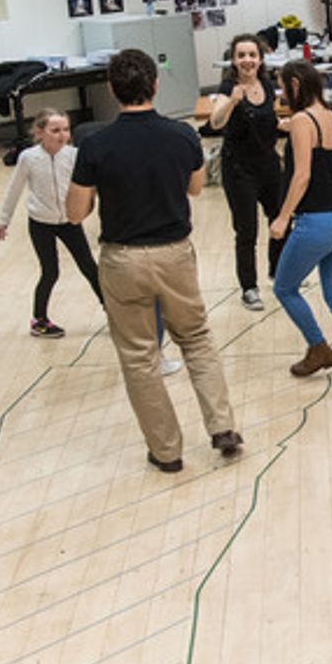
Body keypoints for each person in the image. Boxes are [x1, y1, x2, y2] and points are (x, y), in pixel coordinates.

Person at [67, 49, 242, 474]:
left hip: (122, 259)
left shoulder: (95, 144)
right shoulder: (182, 135)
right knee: (196, 337)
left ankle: (166, 452)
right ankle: (222, 428)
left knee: (139, 356)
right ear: (156, 85)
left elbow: (75, 213)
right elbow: (196, 189)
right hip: (174, 253)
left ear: (112, 89)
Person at [269, 60, 332, 393]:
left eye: (282, 86)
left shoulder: (300, 120)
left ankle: (318, 347)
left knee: (284, 288)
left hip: (315, 224)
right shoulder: (331, 116)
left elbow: (303, 174)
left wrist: (282, 218)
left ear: (295, 85)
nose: (281, 93)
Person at [0, 108, 102, 338]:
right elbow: (14, 189)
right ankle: (39, 320)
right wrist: (4, 220)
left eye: (65, 129)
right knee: (50, 271)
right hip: (40, 223)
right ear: (39, 132)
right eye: (55, 130)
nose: (61, 135)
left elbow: (90, 186)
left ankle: (113, 311)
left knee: (89, 268)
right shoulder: (28, 158)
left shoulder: (74, 155)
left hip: (69, 221)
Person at [208, 34, 284, 310]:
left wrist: (284, 125)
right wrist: (231, 101)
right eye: (241, 55)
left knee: (280, 221)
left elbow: (269, 119)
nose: (247, 60)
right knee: (246, 229)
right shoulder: (228, 86)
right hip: (239, 168)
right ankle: (249, 288)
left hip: (268, 164)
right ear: (234, 60)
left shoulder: (267, 83)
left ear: (260, 59)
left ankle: (278, 272)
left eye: (252, 55)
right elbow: (215, 122)